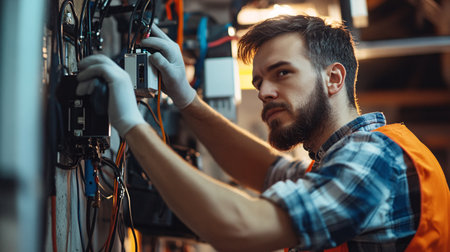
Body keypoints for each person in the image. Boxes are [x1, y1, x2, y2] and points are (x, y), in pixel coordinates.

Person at [76, 15, 449, 251]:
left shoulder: (372, 159)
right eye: (259, 82)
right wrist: (185, 97)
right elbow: (266, 170)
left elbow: (240, 229)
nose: (264, 91)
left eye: (282, 73)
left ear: (333, 78)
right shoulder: (341, 160)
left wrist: (132, 126)